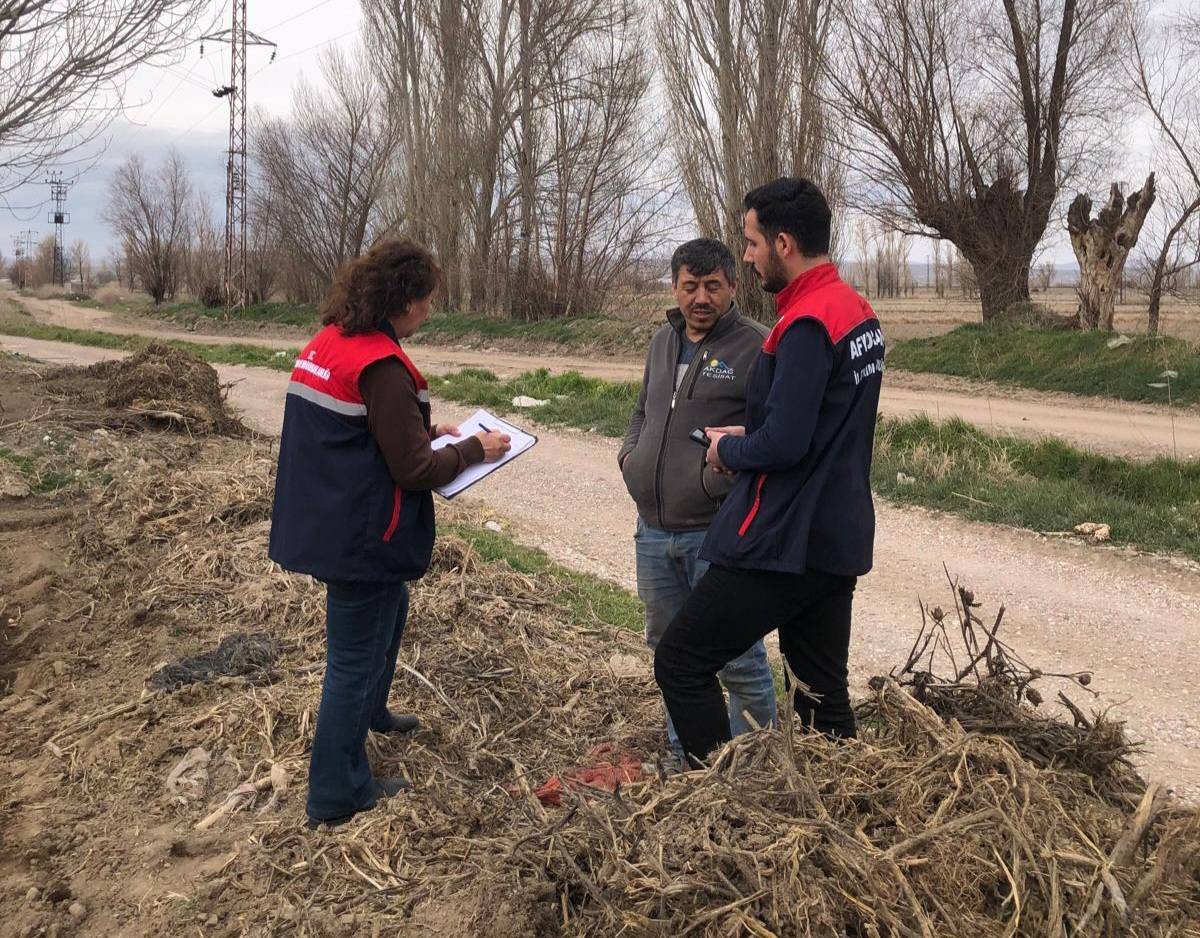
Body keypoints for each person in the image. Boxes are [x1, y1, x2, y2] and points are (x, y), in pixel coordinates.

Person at [268, 239, 511, 829]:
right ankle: (336, 791)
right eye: (427, 301)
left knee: (390, 613)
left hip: (329, 520)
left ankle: (370, 713)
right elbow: (413, 471)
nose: (429, 312)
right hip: (362, 536)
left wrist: (422, 430)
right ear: (402, 301)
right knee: (351, 660)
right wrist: (471, 448)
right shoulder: (381, 363)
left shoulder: (333, 341)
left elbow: (362, 433)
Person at [653, 178, 885, 766]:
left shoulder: (806, 322)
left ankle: (721, 799)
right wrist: (752, 435)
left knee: (681, 659)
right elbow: (821, 426)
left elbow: (786, 442)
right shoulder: (857, 312)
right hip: (836, 533)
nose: (749, 257)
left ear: (783, 243)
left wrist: (728, 452)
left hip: (786, 537)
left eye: (753, 244)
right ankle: (838, 814)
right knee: (821, 696)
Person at [619, 238, 777, 763]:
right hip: (653, 531)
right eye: (690, 286)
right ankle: (686, 754)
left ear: (734, 285)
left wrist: (716, 484)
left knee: (738, 658)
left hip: (716, 533)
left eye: (713, 286)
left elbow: (770, 433)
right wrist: (631, 458)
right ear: (675, 288)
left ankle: (754, 763)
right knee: (670, 652)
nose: (701, 298)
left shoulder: (757, 347)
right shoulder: (663, 341)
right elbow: (642, 410)